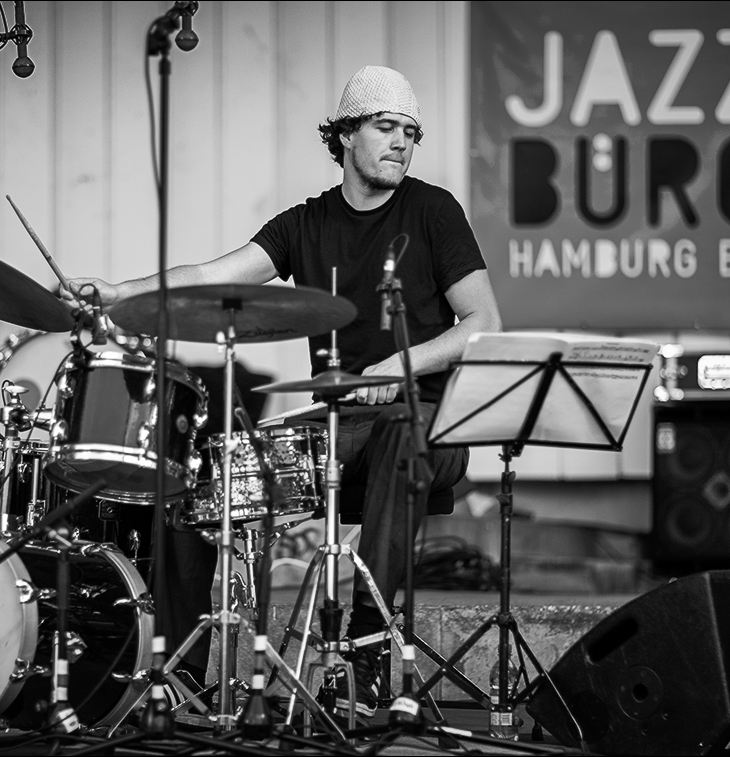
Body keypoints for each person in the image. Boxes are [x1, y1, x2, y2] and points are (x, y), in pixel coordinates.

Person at [60, 65, 502, 720]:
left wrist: (395, 367)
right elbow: (214, 275)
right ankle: (180, 672)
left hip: (426, 425)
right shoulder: (307, 223)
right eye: (387, 127)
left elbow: (483, 324)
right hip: (336, 429)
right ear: (347, 133)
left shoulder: (433, 211)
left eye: (412, 131)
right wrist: (125, 292)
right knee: (208, 470)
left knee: (398, 436)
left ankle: (371, 642)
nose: (402, 142)